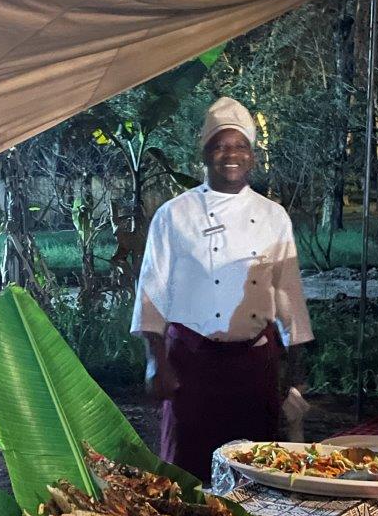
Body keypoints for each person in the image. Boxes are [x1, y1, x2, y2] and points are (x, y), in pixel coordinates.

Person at [130, 97, 313, 482]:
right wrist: (155, 361)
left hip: (254, 367)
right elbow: (151, 291)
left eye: (240, 145)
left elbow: (288, 296)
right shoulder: (173, 215)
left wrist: (296, 372)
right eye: (220, 145)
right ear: (205, 153)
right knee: (186, 475)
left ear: (252, 156)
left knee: (255, 474)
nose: (231, 154)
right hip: (191, 366)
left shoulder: (273, 216)